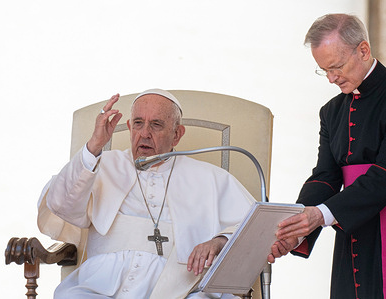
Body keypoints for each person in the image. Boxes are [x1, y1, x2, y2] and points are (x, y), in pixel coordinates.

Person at [37, 88, 256, 298]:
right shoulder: (101, 164)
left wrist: (219, 241)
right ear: (130, 127)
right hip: (101, 286)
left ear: (177, 134)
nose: (144, 134)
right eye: (139, 124)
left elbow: (254, 226)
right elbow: (61, 205)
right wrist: (94, 145)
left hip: (183, 288)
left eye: (156, 125)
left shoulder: (210, 177)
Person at [269, 13, 386, 299]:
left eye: (337, 67)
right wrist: (296, 228)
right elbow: (325, 177)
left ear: (363, 50)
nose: (332, 79)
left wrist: (320, 215)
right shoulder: (331, 111)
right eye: (324, 70)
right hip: (350, 226)